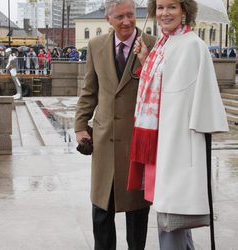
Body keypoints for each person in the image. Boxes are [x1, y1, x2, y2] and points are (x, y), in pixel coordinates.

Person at [127, 0, 229, 249]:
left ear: (184, 10)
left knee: (172, 217)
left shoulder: (193, 45)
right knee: (171, 218)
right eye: (160, 7)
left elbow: (200, 96)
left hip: (178, 142)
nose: (164, 13)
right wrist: (145, 58)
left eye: (171, 7)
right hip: (159, 140)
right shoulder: (165, 43)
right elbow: (164, 83)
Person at [74, 0, 156, 249]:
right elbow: (90, 91)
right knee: (101, 210)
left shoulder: (152, 45)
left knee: (137, 211)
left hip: (137, 139)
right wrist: (80, 125)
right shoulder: (96, 45)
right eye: (120, 16)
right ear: (108, 19)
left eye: (131, 15)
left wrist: (146, 59)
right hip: (104, 139)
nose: (127, 22)